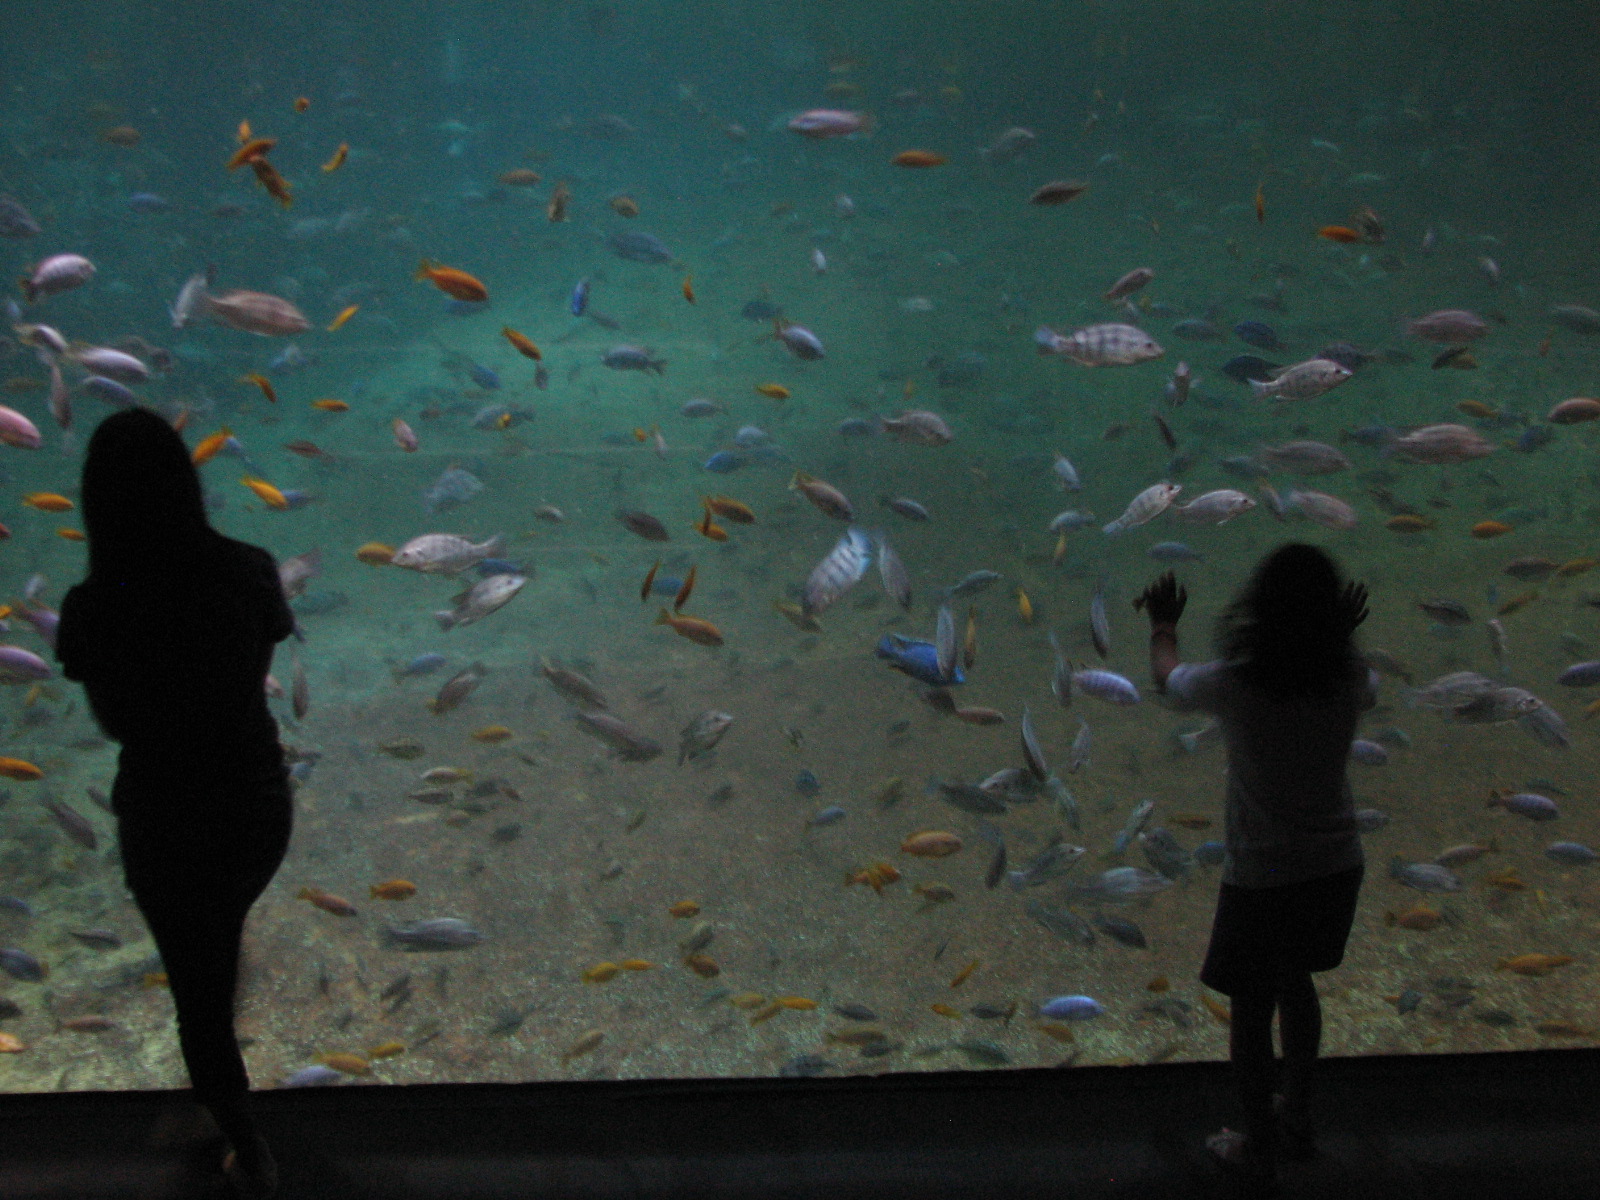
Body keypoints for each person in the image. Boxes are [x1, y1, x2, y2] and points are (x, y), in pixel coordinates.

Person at [55, 408, 296, 1199]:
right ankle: (222, 1021)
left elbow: (116, 721)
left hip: (166, 812)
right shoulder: (250, 567)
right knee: (218, 934)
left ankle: (249, 1152)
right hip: (256, 801)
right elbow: (249, 677)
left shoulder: (94, 604)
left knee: (199, 996)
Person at [1135, 543, 1373, 1195]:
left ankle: (1256, 1147)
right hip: (1334, 868)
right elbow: (1338, 671)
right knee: (1297, 985)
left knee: (1249, 1009)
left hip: (1265, 875)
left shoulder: (1236, 682)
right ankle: (1296, 1121)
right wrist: (1341, 636)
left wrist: (1163, 624)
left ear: (1256, 609)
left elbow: (1167, 677)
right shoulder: (1351, 674)